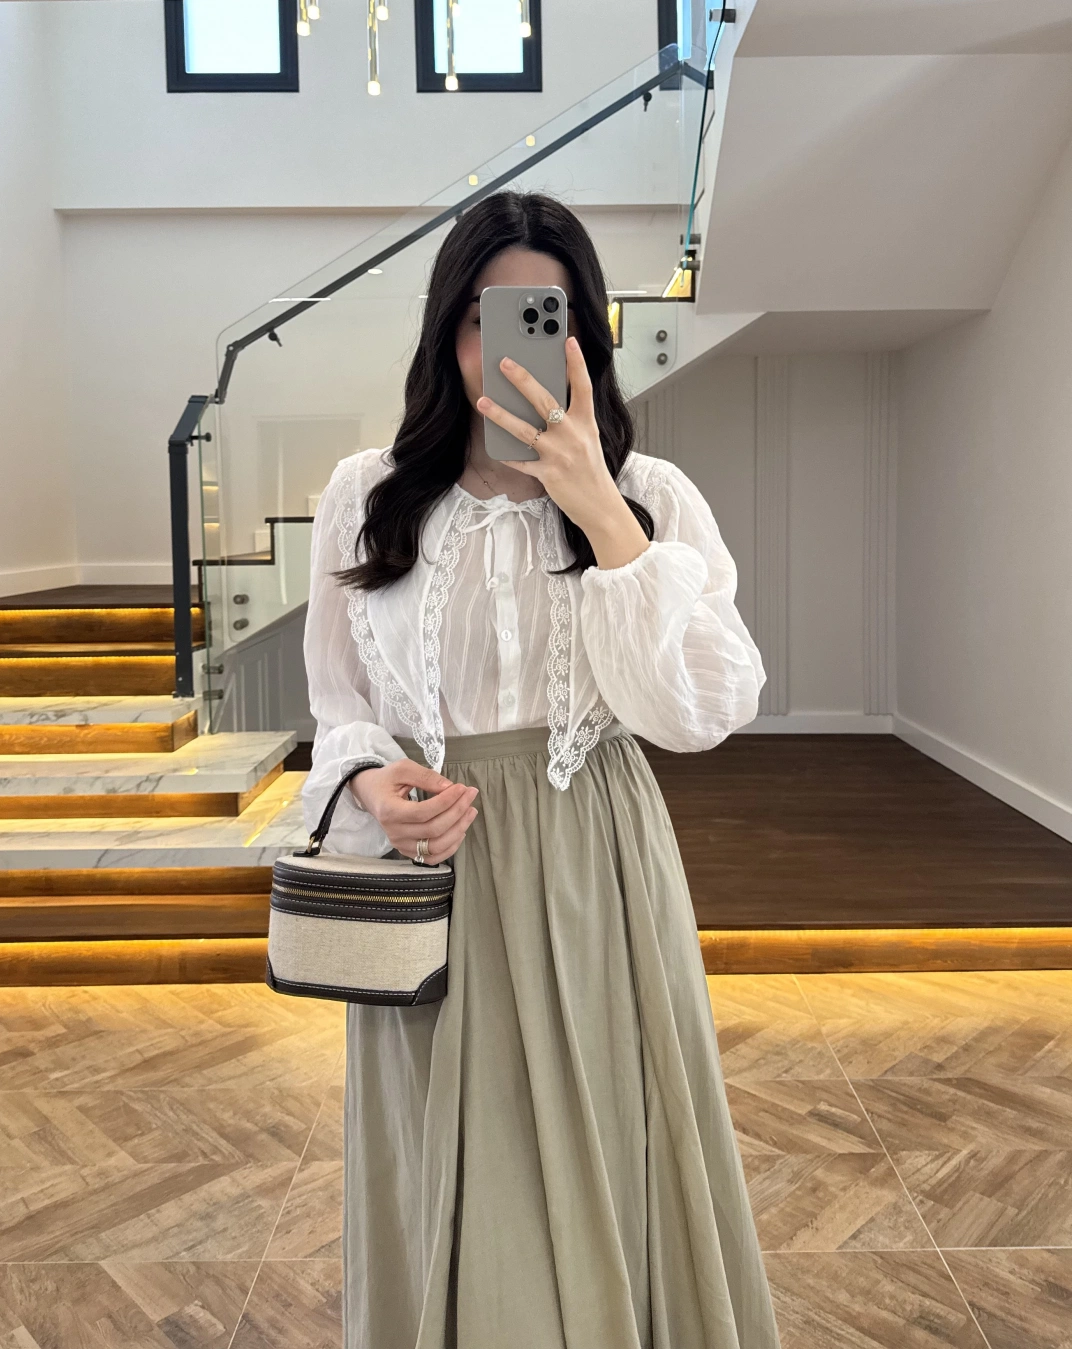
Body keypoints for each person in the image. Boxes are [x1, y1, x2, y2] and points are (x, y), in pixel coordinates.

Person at [302, 190, 781, 1349]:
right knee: (452, 1184)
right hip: (432, 883)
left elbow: (706, 709)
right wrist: (369, 785)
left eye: (541, 316)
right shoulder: (366, 496)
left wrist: (604, 513)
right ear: (445, 330)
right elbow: (338, 705)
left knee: (614, 1158)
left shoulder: (653, 497)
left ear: (584, 336)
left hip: (595, 873)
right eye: (482, 316)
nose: (507, 347)